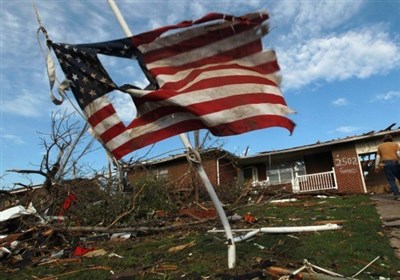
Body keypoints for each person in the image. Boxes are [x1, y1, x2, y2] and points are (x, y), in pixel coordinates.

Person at [375, 134, 400, 199]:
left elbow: (378, 157)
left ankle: (396, 194)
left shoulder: (380, 146)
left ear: (384, 139)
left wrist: (376, 166)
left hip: (386, 164)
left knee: (391, 180)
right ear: (391, 139)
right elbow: (398, 154)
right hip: (395, 163)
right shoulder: (395, 144)